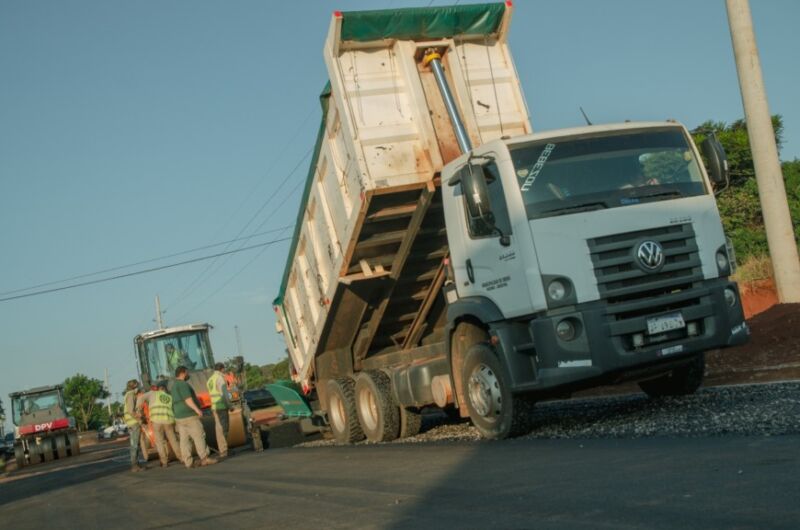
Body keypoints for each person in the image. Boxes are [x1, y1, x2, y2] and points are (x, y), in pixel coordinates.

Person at [171, 366, 217, 469]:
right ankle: (204, 458)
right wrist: (197, 410)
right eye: (187, 372)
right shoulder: (183, 384)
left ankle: (188, 462)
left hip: (179, 418)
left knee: (184, 440)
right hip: (189, 415)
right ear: (183, 373)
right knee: (199, 436)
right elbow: (188, 399)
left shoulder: (174, 386)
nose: (188, 374)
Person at [139, 381, 183, 468]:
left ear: (158, 388)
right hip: (169, 421)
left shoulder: (153, 394)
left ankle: (164, 461)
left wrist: (139, 410)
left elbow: (141, 398)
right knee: (173, 440)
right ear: (165, 389)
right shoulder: (170, 397)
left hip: (157, 422)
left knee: (160, 442)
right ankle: (181, 457)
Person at [206, 363, 232, 459]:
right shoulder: (220, 378)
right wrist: (230, 406)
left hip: (214, 407)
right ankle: (224, 450)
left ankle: (223, 449)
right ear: (222, 369)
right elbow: (224, 394)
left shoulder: (210, 380)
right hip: (221, 407)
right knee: (223, 428)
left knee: (218, 428)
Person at [123, 379, 146, 473]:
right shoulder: (131, 394)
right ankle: (135, 466)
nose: (139, 387)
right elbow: (131, 410)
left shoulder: (128, 394)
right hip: (133, 422)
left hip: (131, 422)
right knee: (135, 445)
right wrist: (139, 418)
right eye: (138, 385)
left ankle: (136, 464)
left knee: (134, 444)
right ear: (134, 386)